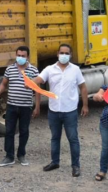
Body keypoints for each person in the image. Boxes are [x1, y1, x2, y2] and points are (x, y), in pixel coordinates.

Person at [32, 44, 88, 176]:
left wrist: (85, 105)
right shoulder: (50, 69)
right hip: (54, 110)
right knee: (55, 138)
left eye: (66, 53)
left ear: (70, 55)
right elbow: (39, 79)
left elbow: (83, 88)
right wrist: (30, 82)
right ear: (57, 54)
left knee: (73, 139)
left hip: (70, 111)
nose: (64, 55)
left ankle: (76, 166)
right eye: (61, 53)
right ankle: (54, 162)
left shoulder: (75, 70)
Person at [0, 46, 40, 167]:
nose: (20, 58)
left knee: (24, 131)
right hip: (11, 106)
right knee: (9, 131)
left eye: (23, 56)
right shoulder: (10, 69)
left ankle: (21, 154)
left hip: (26, 106)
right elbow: (4, 83)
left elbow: (38, 90)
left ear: (27, 57)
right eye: (18, 55)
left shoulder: (34, 70)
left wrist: (37, 106)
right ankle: (9, 156)